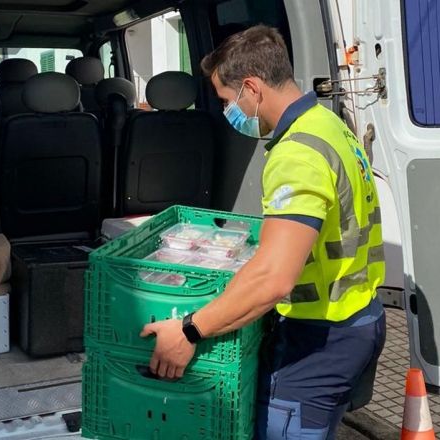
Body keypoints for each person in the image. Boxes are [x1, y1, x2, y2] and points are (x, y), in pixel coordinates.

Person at [139, 25, 386, 440]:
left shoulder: (297, 152)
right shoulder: (329, 124)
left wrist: (189, 330)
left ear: (251, 88)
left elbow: (274, 278)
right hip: (360, 317)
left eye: (225, 99)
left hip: (319, 338)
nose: (225, 112)